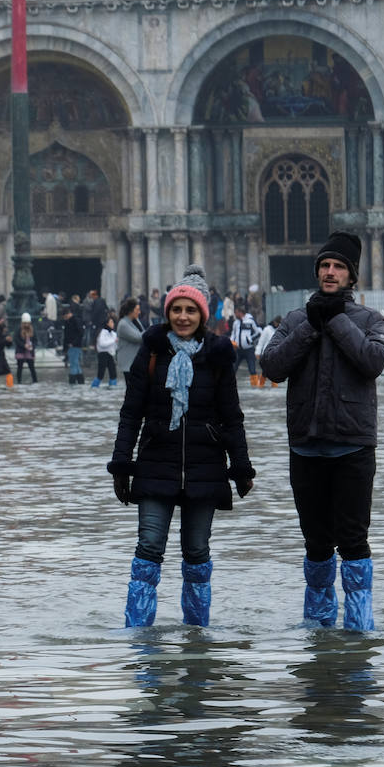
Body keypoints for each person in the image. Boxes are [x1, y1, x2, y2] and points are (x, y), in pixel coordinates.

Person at [108, 265, 255, 628]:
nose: (183, 316)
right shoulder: (152, 354)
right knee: (148, 550)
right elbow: (131, 414)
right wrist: (122, 464)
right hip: (156, 462)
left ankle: (196, 639)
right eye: (177, 309)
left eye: (191, 310)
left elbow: (232, 418)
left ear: (202, 315)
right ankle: (140, 643)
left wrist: (241, 468)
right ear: (168, 312)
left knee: (197, 553)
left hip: (205, 467)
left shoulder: (219, 358)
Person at [260, 231, 384, 631]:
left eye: (339, 267)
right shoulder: (297, 319)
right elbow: (272, 367)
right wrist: (311, 327)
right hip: (306, 449)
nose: (330, 273)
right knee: (316, 546)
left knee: (353, 543)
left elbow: (373, 361)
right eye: (325, 266)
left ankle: (358, 635)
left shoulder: (370, 320)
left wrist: (334, 321)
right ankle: (318, 635)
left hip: (352, 448)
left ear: (352, 277)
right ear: (317, 271)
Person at [230, 305, 263, 386]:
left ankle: (255, 386)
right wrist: (231, 342)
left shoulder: (250, 321)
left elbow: (258, 332)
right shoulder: (235, 322)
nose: (235, 314)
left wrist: (250, 340)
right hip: (238, 350)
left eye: (236, 313)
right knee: (233, 368)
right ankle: (229, 384)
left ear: (240, 313)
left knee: (252, 369)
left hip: (249, 350)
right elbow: (233, 334)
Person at [117, 297, 145, 376]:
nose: (139, 312)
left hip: (135, 363)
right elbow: (138, 337)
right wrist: (152, 332)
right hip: (128, 364)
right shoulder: (123, 324)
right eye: (137, 310)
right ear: (131, 311)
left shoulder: (135, 321)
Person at [254, 315, 282, 388]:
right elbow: (261, 342)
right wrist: (257, 352)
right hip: (266, 354)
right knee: (266, 371)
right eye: (277, 324)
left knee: (273, 371)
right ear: (274, 322)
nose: (278, 325)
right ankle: (260, 385)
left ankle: (274, 387)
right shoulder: (267, 329)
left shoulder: (280, 330)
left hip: (276, 354)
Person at [92, 312, 118, 387]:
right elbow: (102, 344)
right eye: (111, 322)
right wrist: (113, 341)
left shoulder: (113, 333)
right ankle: (94, 386)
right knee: (101, 374)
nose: (113, 324)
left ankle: (113, 386)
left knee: (113, 373)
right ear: (107, 324)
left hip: (110, 354)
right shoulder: (102, 332)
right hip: (103, 354)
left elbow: (115, 346)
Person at [61, 304, 84, 384]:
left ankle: (72, 381)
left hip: (74, 345)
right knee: (76, 364)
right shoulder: (68, 322)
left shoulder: (75, 321)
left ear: (67, 314)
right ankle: (80, 381)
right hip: (72, 345)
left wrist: (73, 343)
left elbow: (80, 333)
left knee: (73, 364)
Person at [14, 313, 37, 384]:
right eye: (25, 323)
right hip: (21, 351)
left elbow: (35, 340)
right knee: (20, 368)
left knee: (32, 368)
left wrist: (32, 346)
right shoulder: (19, 330)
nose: (26, 325)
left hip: (29, 351)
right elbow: (16, 340)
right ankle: (19, 382)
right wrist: (24, 345)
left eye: (28, 323)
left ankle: (35, 381)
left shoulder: (32, 330)